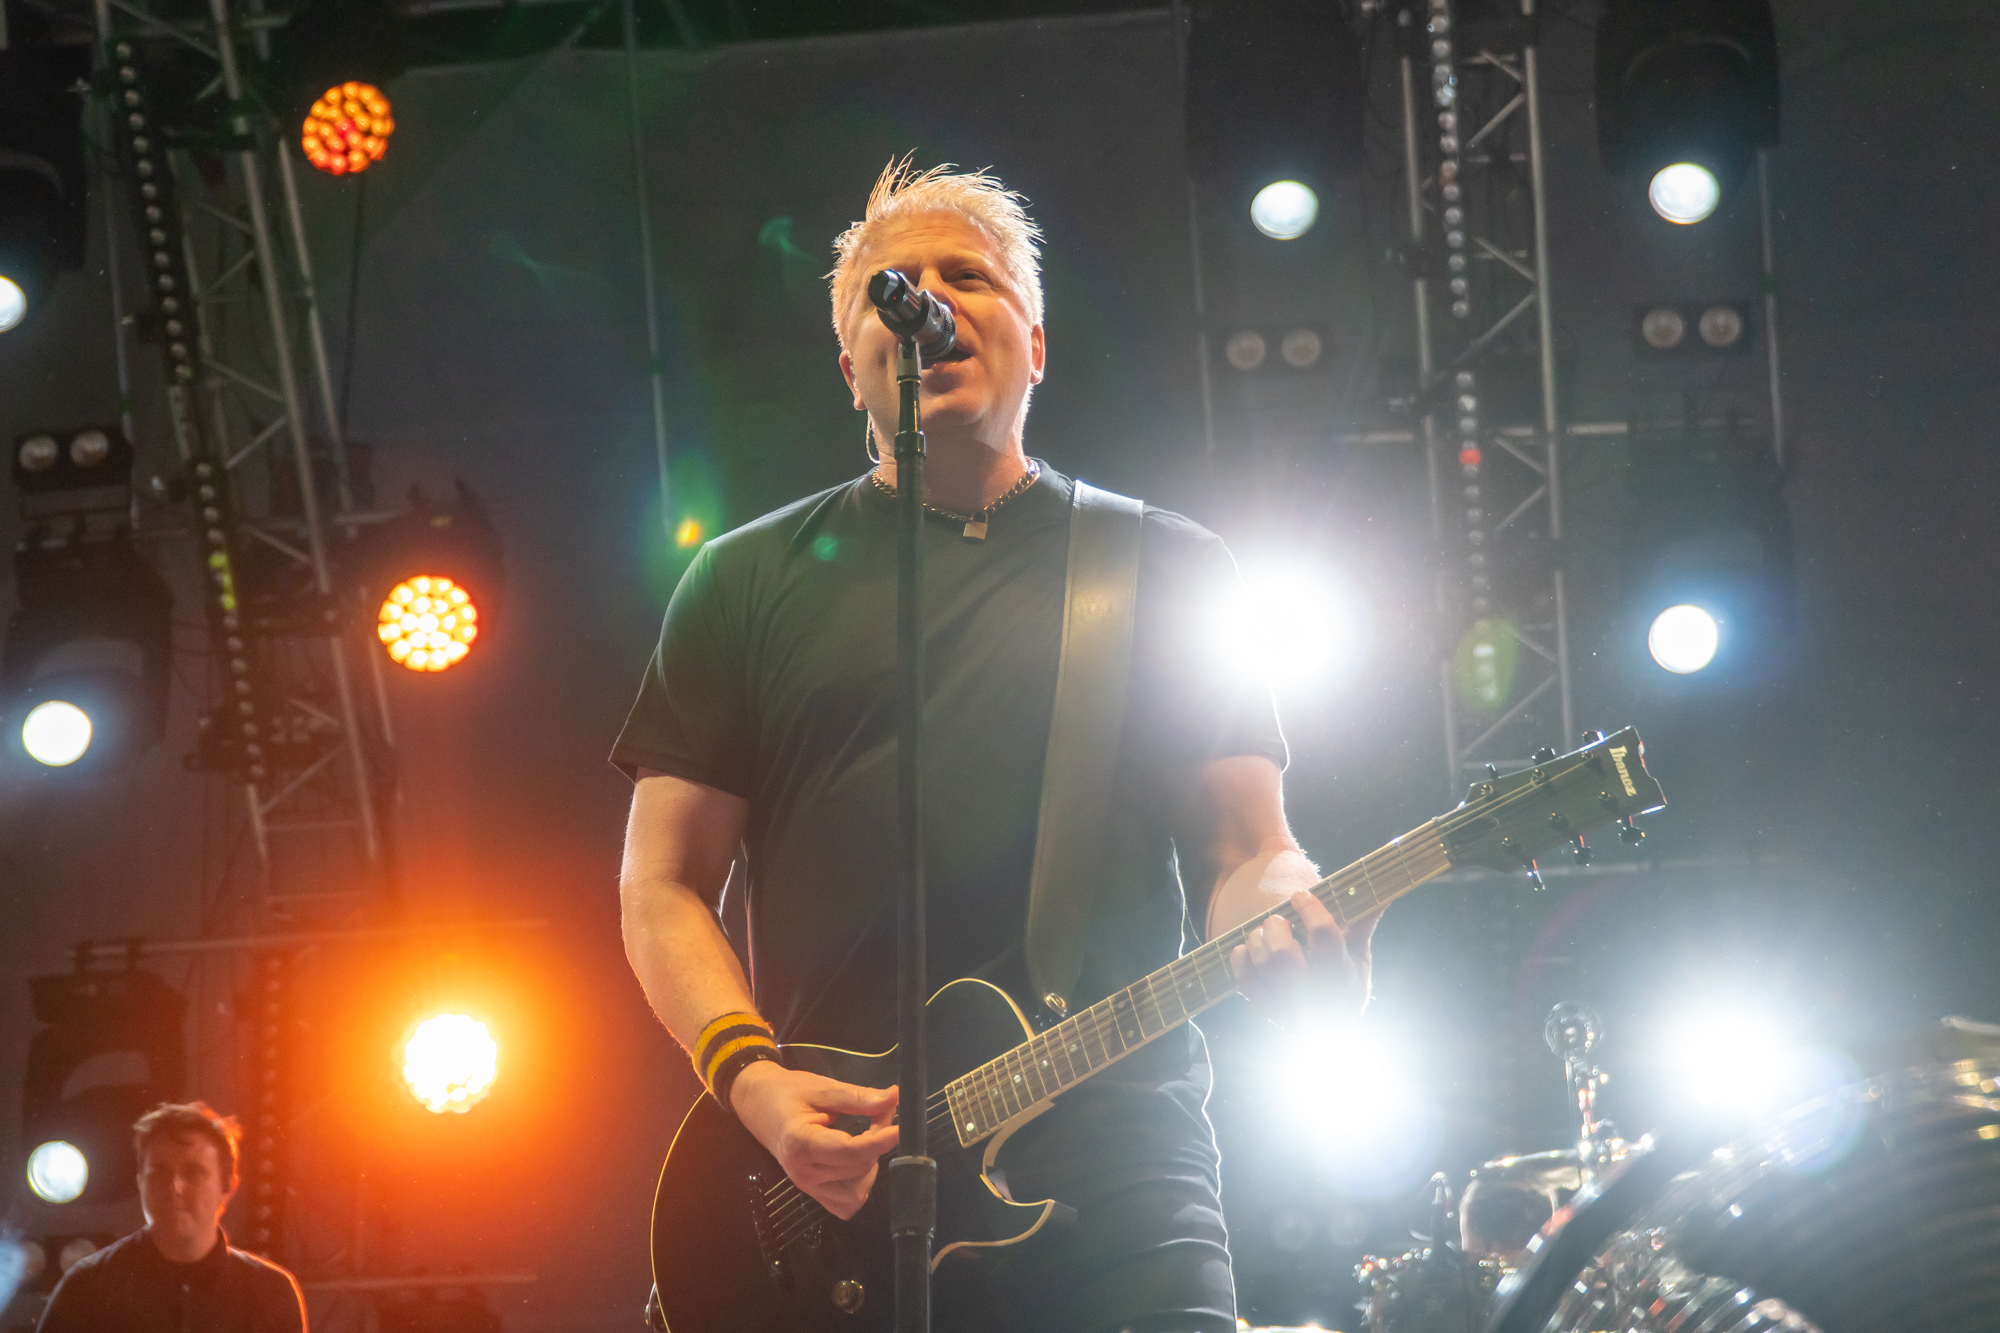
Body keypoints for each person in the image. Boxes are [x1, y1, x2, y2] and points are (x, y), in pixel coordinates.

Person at [615, 160, 1380, 1333]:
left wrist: (1287, 909)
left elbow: (1246, 852)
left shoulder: (1167, 568)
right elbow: (661, 881)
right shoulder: (743, 579)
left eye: (965, 277)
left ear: (1036, 343)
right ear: (850, 368)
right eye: (891, 290)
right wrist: (752, 1083)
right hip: (832, 1187)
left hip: (1119, 1164)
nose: (925, 301)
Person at [38, 1102, 308, 1333]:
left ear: (228, 1187)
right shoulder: (87, 1287)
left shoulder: (271, 1293)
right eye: (159, 1172)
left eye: (193, 1173)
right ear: (140, 1182)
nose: (174, 1187)